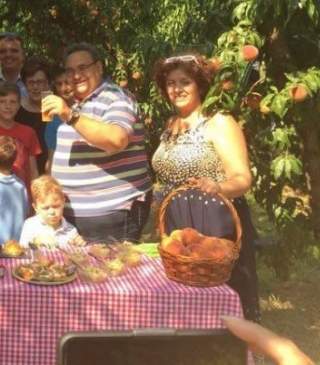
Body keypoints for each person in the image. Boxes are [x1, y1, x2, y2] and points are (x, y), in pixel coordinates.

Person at [151, 52, 260, 321]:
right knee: (181, 297)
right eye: (170, 83)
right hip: (178, 224)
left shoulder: (219, 122)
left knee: (221, 299)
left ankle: (229, 355)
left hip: (214, 222)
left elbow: (242, 178)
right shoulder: (170, 125)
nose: (176, 89)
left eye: (184, 81)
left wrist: (219, 186)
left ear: (199, 84)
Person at [42, 42, 152, 243]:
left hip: (114, 212)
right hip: (73, 215)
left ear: (99, 67)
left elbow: (116, 139)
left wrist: (70, 115)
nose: (76, 75)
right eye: (70, 70)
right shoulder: (76, 103)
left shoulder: (117, 97)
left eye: (82, 68)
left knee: (114, 273)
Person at [20, 175, 85, 248]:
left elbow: (76, 254)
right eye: (46, 208)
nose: (52, 212)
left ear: (63, 203)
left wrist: (78, 244)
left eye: (56, 206)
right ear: (36, 208)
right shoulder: (30, 225)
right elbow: (22, 248)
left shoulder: (70, 230)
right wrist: (36, 240)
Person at [15, 56, 53, 175]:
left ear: (48, 83)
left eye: (40, 82)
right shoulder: (16, 109)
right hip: (24, 172)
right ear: (25, 84)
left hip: (52, 171)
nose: (35, 87)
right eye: (30, 82)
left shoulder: (55, 108)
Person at [43, 65, 75, 174]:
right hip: (62, 174)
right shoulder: (53, 116)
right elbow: (51, 155)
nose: (64, 88)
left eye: (67, 82)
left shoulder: (88, 107)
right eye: (59, 84)